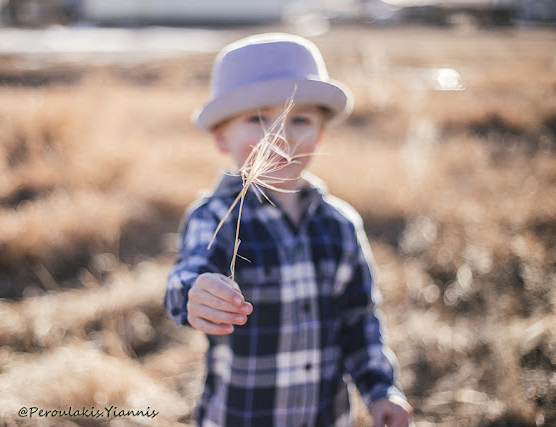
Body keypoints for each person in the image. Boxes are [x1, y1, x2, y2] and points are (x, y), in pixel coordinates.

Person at [165, 33, 413, 427]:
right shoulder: (214, 216)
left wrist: (381, 389)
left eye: (299, 118)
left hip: (325, 417)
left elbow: (359, 318)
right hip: (240, 416)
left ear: (321, 134)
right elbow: (186, 274)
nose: (280, 134)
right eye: (258, 118)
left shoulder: (341, 224)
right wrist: (194, 293)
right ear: (220, 137)